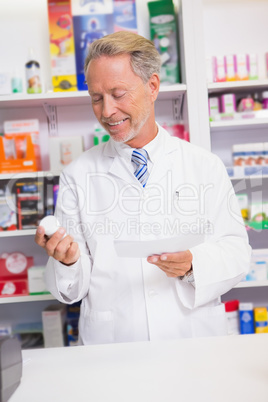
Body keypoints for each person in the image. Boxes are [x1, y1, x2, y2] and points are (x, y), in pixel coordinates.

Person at [35, 31, 251, 345]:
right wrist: (67, 261)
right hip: (114, 345)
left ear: (152, 87)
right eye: (96, 97)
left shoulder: (204, 166)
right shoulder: (78, 175)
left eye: (118, 93)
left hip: (193, 341)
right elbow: (71, 289)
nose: (106, 111)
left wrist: (193, 264)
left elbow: (237, 253)